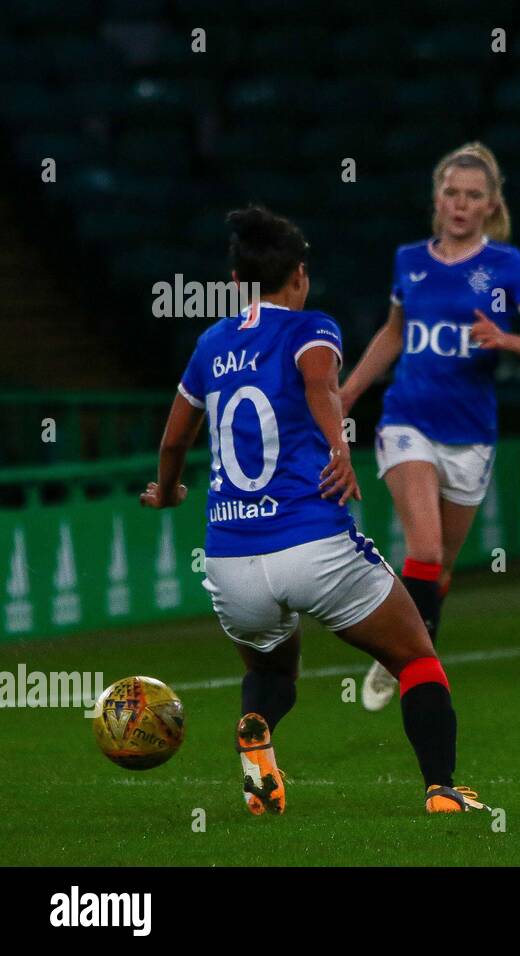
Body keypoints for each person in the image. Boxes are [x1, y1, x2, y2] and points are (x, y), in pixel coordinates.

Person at [141, 205, 485, 814]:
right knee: (414, 658)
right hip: (312, 544)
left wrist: (167, 491)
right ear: (298, 275)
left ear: (235, 281)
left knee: (275, 676)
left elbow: (173, 441)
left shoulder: (210, 344)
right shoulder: (311, 328)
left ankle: (255, 728)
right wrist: (339, 447)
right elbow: (319, 384)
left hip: (229, 561)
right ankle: (442, 790)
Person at [339, 143, 520, 711]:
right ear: (436, 199)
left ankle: (399, 649)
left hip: (471, 433)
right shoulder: (409, 260)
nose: (460, 205)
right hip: (407, 418)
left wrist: (505, 338)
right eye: (451, 194)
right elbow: (394, 333)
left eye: (473, 196)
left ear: (491, 206)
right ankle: (415, 669)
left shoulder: (509, 267)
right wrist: (347, 393)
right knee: (425, 546)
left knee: (438, 568)